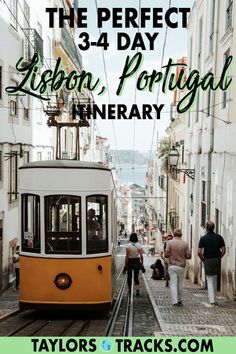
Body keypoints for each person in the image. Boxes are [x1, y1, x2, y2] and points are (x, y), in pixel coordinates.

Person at [198, 221, 226, 306]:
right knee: (215, 279)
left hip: (208, 260)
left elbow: (199, 252)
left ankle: (212, 300)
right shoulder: (219, 237)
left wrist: (203, 259)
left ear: (206, 228)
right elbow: (224, 250)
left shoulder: (203, 238)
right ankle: (214, 299)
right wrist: (219, 257)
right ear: (214, 227)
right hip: (217, 260)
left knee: (209, 280)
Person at [165, 229, 191, 306]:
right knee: (180, 283)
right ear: (181, 235)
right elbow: (188, 256)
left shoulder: (169, 243)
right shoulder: (185, 243)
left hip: (172, 265)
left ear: (174, 234)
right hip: (181, 266)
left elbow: (166, 255)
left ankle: (174, 301)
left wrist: (171, 254)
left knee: (173, 283)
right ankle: (179, 300)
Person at [125, 232, 144, 296]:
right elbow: (141, 256)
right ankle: (137, 290)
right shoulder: (139, 245)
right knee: (136, 277)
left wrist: (125, 264)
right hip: (136, 261)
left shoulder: (128, 246)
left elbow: (127, 256)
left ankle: (130, 289)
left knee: (129, 276)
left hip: (130, 261)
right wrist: (142, 263)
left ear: (130, 238)